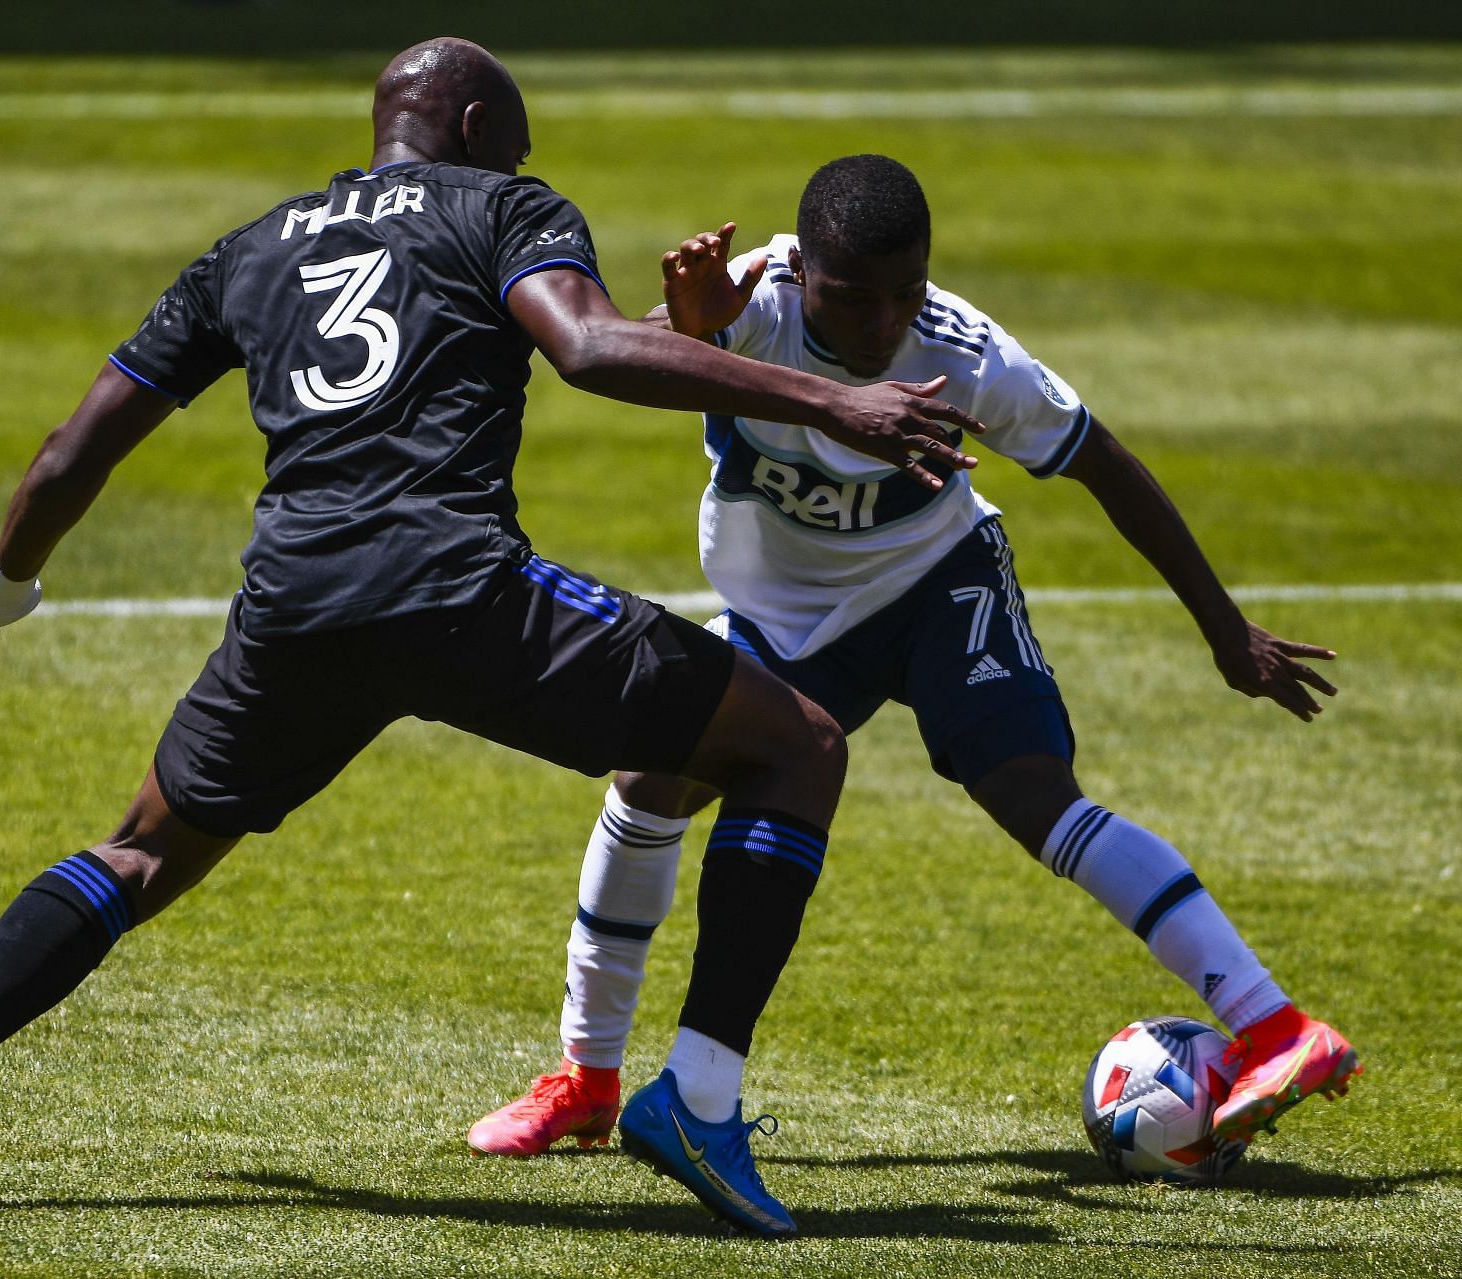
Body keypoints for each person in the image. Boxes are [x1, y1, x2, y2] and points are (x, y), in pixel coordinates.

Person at [0, 48, 984, 1239]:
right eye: (514, 140)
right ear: (469, 123)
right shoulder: (503, 206)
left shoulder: (250, 249)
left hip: (295, 614)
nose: (522, 161)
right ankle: (701, 1103)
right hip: (462, 595)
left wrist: (6, 584)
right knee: (798, 745)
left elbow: (68, 452)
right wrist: (839, 402)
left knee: (143, 853)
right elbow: (590, 347)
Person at [469, 155, 1362, 1173]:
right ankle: (585, 1081)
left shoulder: (966, 355)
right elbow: (624, 355)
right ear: (804, 272)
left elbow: (1102, 461)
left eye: (907, 292)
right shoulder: (750, 297)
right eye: (855, 298)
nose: (883, 322)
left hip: (937, 587)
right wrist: (690, 325)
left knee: (1034, 794)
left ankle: (1275, 1025)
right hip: (781, 620)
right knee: (647, 788)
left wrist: (1223, 629)